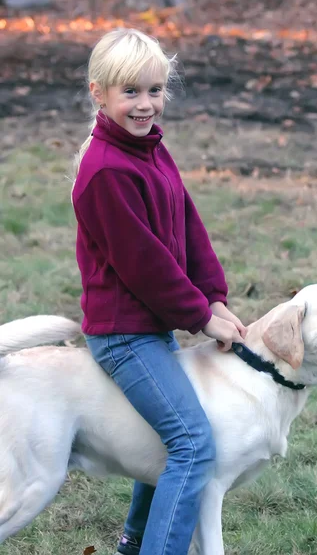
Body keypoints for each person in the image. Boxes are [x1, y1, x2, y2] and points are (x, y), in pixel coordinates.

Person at [71, 28, 247, 555]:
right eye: (131, 92)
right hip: (124, 336)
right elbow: (143, 265)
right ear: (98, 92)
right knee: (193, 444)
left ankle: (133, 542)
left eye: (155, 89)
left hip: (151, 327)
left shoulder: (149, 149)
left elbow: (188, 227)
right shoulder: (105, 170)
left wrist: (213, 295)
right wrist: (199, 316)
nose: (146, 104)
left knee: (166, 442)